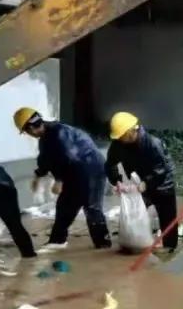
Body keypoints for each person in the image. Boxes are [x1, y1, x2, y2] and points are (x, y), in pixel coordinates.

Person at [14, 107, 111, 252]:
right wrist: (38, 176)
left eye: (26, 131)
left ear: (31, 128)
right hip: (74, 172)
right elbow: (45, 159)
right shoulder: (46, 138)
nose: (28, 134)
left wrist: (59, 180)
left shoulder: (60, 133)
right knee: (65, 205)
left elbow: (70, 158)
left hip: (92, 170)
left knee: (92, 207)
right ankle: (58, 240)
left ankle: (103, 244)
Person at [105, 112, 178, 250]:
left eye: (122, 135)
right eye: (118, 136)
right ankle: (134, 242)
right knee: (134, 212)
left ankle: (169, 247)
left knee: (168, 219)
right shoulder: (118, 144)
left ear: (131, 132)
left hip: (162, 183)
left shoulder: (153, 143)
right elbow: (110, 165)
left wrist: (147, 183)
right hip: (138, 181)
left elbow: (161, 169)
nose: (119, 138)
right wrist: (117, 181)